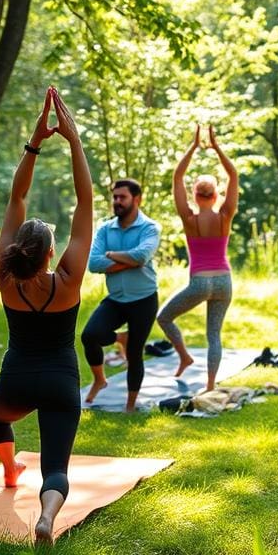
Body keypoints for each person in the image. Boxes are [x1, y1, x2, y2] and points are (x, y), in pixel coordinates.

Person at [0, 86, 93, 545]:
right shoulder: (66, 279)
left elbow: (17, 199)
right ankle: (46, 517)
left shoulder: (5, 278)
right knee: (56, 466)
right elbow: (84, 204)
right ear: (52, 252)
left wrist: (34, 143)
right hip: (61, 381)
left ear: (16, 251)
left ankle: (10, 470)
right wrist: (74, 143)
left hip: (17, 380)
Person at [157, 125, 239, 392]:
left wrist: (193, 146)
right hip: (224, 282)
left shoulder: (189, 219)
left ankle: (184, 356)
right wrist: (216, 148)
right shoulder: (225, 216)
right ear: (216, 195)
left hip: (200, 282)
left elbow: (177, 177)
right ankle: (211, 384)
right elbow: (233, 175)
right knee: (213, 335)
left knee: (164, 318)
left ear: (195, 195)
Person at [81, 176, 162, 413]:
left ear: (136, 199)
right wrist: (128, 259)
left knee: (135, 353)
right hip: (116, 299)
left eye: (122, 197)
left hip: (144, 299)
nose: (117, 201)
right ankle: (100, 378)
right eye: (114, 197)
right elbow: (93, 264)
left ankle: (130, 405)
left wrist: (112, 255)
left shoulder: (149, 227)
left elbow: (141, 256)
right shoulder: (106, 228)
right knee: (90, 336)